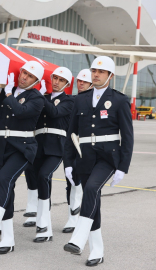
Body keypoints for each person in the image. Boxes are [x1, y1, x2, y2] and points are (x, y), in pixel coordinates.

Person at [63, 56, 134, 267]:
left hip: (107, 157)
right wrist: (68, 162)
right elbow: (71, 133)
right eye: (94, 70)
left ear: (110, 76)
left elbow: (127, 136)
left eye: (101, 72)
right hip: (84, 157)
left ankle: (78, 238)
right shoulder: (80, 99)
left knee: (92, 189)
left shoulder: (119, 100)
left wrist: (123, 167)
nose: (95, 74)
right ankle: (97, 251)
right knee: (94, 203)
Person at [0, 61, 45, 255]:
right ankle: (8, 239)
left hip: (23, 148)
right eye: (23, 72)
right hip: (2, 147)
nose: (24, 77)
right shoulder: (9, 91)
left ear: (36, 81)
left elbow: (21, 112)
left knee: (4, 179)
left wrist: (7, 94)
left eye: (29, 76)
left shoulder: (37, 98)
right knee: (5, 188)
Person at [26, 67, 75, 243]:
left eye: (61, 80)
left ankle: (43, 225)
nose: (56, 82)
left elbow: (55, 113)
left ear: (67, 84)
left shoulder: (69, 101)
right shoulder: (42, 97)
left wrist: (38, 96)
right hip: (38, 145)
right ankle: (42, 223)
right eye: (55, 78)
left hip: (56, 147)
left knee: (44, 175)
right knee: (39, 180)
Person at [62, 68, 92, 233]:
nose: (80, 83)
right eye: (79, 80)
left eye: (84, 81)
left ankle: (84, 217)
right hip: (72, 144)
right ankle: (72, 218)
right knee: (71, 181)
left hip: (89, 146)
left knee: (88, 184)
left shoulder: (95, 100)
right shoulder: (71, 99)